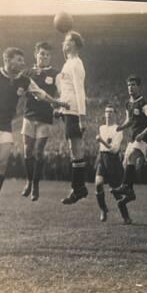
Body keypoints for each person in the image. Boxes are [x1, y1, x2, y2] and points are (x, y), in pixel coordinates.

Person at [0, 47, 67, 216]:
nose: (23, 63)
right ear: (8, 60)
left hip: (4, 126)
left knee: (2, 164)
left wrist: (58, 103)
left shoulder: (24, 81)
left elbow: (42, 95)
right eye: (19, 60)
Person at [111, 76, 147, 224]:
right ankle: (129, 193)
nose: (131, 87)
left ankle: (126, 187)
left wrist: (143, 133)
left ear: (139, 87)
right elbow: (129, 120)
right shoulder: (128, 104)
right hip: (133, 138)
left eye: (133, 85)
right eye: (129, 85)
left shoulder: (144, 103)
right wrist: (120, 127)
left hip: (143, 138)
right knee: (126, 165)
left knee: (132, 157)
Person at [20, 42, 60, 202]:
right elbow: (19, 88)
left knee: (38, 151)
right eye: (41, 53)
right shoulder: (27, 72)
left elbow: (60, 93)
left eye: (47, 54)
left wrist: (58, 107)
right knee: (27, 151)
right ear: (36, 54)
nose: (44, 57)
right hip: (29, 116)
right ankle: (29, 181)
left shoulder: (56, 74)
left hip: (44, 118)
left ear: (50, 57)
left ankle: (35, 185)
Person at [56, 31, 89, 205]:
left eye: (67, 41)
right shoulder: (68, 63)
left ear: (74, 44)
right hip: (67, 111)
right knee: (72, 148)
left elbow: (79, 90)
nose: (64, 43)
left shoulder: (76, 64)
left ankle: (78, 189)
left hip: (75, 112)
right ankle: (79, 188)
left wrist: (82, 117)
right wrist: (60, 108)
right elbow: (66, 91)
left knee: (76, 148)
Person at [94, 105, 124, 222]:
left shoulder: (118, 129)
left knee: (115, 190)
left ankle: (125, 216)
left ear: (115, 114)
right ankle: (103, 209)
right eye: (106, 111)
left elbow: (115, 149)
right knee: (98, 183)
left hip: (113, 160)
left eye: (111, 112)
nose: (108, 114)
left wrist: (101, 141)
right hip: (102, 158)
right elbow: (102, 147)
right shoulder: (101, 128)